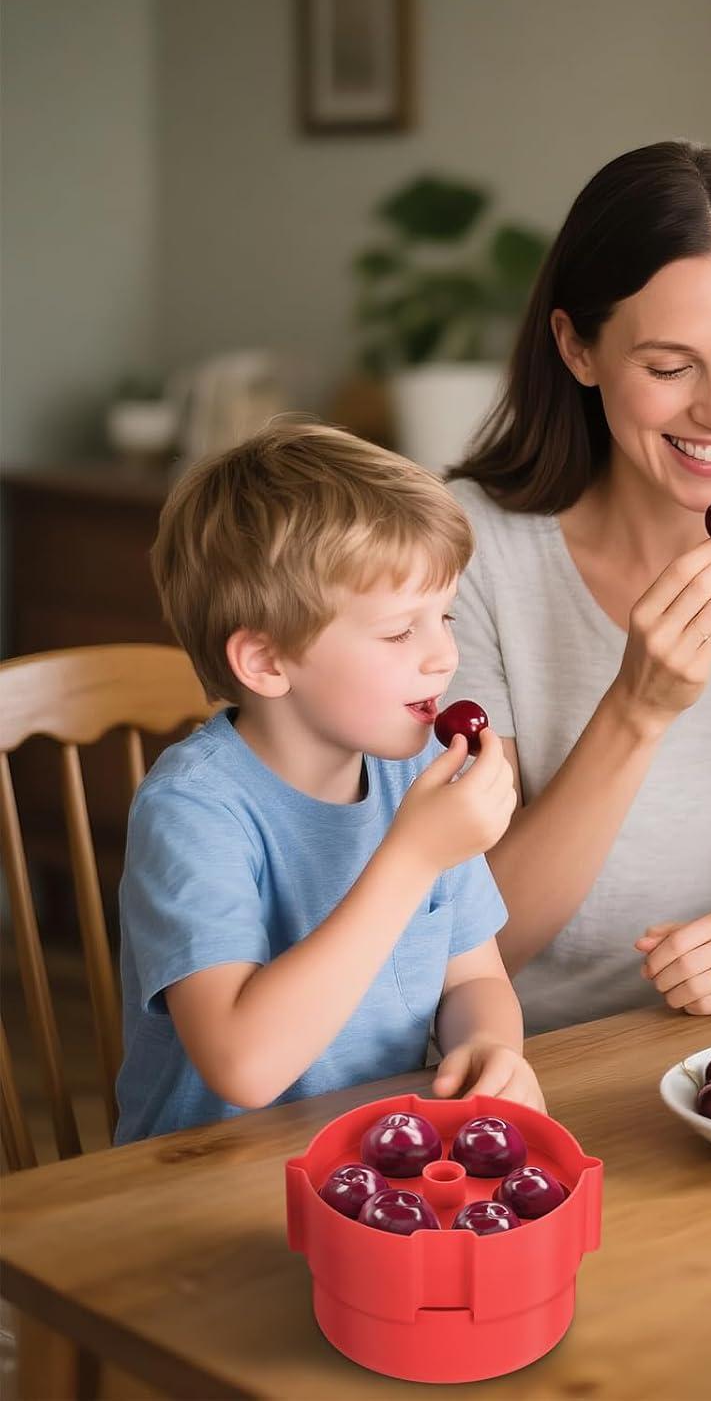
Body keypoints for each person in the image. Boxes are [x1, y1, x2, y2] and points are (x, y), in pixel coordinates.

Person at [446, 141, 711, 1034]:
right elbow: (469, 942)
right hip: (513, 1060)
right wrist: (636, 711)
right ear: (577, 348)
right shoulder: (466, 548)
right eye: (670, 367)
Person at [115, 420, 540, 1142]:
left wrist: (488, 1046)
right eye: (400, 631)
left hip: (373, 1164)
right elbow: (243, 1067)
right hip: (204, 1182)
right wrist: (412, 858)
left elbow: (474, 979)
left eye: (444, 615)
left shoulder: (417, 776)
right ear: (266, 662)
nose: (444, 655)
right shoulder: (193, 809)